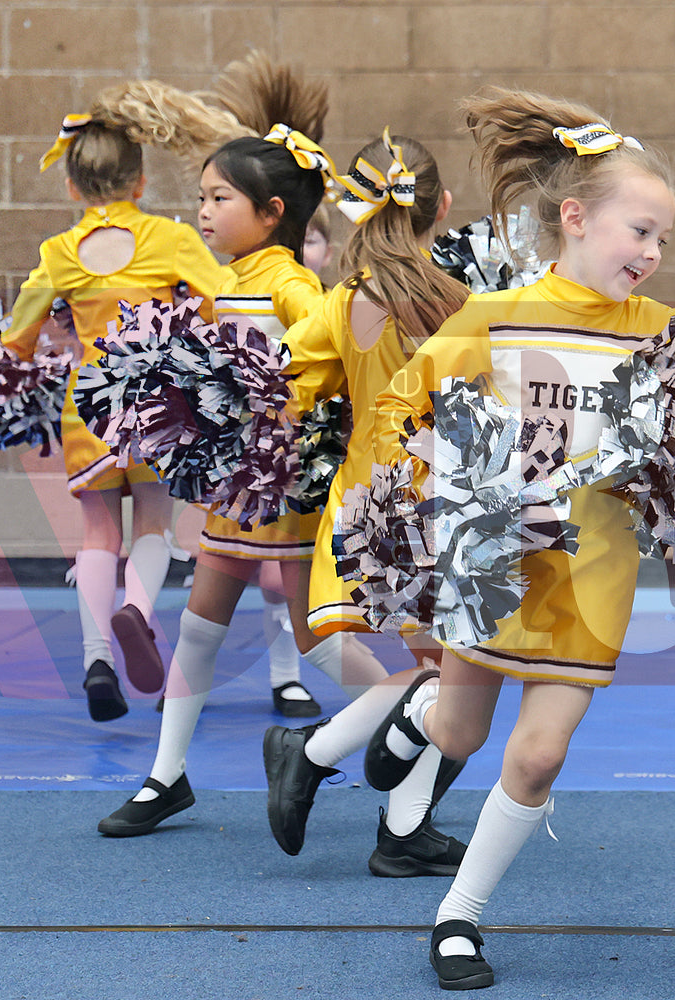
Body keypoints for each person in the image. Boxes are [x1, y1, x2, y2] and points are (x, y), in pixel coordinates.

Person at [356, 88, 675, 990]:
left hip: (594, 572)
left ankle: (457, 918)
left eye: (662, 239)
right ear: (574, 218)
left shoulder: (663, 338)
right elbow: (403, 410)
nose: (652, 255)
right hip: (495, 565)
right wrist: (421, 502)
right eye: (639, 232)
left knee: (538, 754)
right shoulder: (491, 319)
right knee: (460, 730)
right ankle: (417, 716)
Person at [96, 57, 391, 837]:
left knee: (320, 643)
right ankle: (166, 777)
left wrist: (281, 420)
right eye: (200, 197)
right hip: (236, 490)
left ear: (268, 212)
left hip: (283, 493)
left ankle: (406, 716)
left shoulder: (291, 284)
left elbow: (326, 367)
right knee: (198, 627)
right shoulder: (230, 279)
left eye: (217, 199)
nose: (202, 211)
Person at [260, 128, 474, 877]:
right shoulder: (463, 303)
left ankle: (401, 830)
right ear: (442, 205)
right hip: (434, 512)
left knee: (438, 675)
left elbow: (279, 390)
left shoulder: (341, 305)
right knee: (449, 678)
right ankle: (313, 755)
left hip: (361, 511)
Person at [2, 92, 231, 723]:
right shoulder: (172, 238)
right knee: (155, 522)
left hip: (90, 409)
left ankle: (96, 657)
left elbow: (16, 341)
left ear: (73, 187)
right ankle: (138, 607)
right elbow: (220, 304)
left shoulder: (58, 253)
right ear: (141, 181)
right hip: (159, 396)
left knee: (97, 532)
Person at [259, 200, 337, 719]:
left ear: (328, 251)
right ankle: (189, 672)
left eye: (312, 240)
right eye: (294, 241)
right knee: (235, 575)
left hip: (308, 454)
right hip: (254, 446)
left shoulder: (330, 304)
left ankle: (285, 677)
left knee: (284, 576)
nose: (301, 251)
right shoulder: (262, 288)